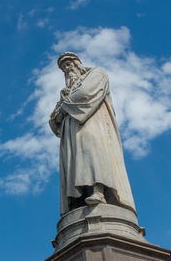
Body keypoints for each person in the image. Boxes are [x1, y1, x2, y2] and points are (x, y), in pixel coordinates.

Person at [49, 52, 136, 216]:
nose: (67, 69)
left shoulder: (96, 73)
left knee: (93, 153)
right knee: (74, 163)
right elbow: (53, 122)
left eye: (69, 64)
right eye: (63, 67)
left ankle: (99, 191)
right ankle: (80, 199)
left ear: (78, 63)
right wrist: (62, 109)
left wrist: (62, 109)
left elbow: (86, 93)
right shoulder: (65, 92)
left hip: (93, 123)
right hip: (70, 132)